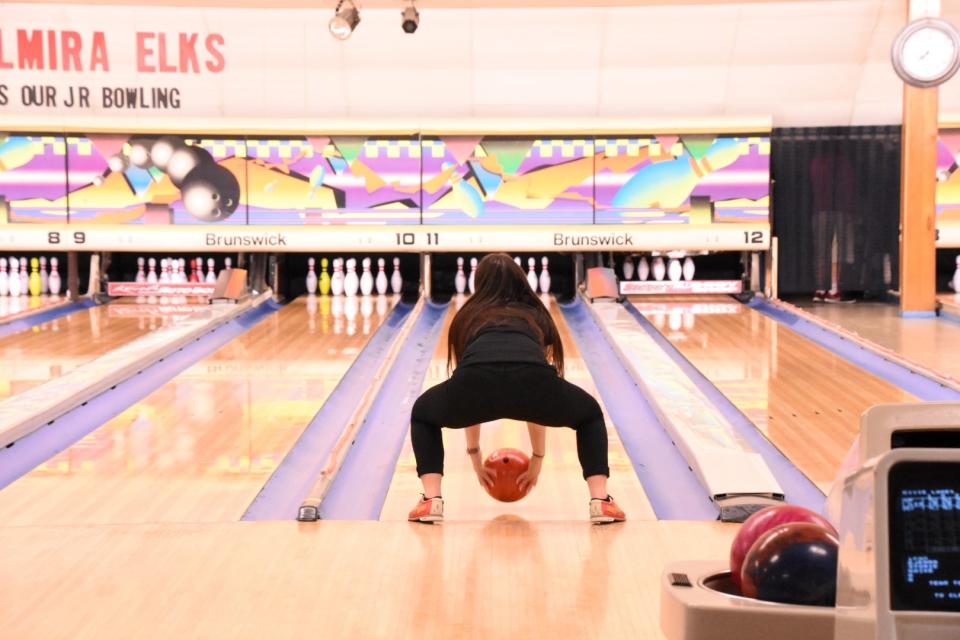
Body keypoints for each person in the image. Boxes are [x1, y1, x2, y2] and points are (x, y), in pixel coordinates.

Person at [407, 253, 626, 524]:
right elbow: (536, 395)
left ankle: (431, 501)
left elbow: (466, 385)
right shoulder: (537, 314)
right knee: (589, 413)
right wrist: (538, 457)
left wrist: (475, 456)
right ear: (521, 280)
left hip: (476, 384)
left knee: (424, 413)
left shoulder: (467, 315)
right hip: (531, 381)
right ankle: (600, 501)